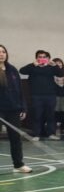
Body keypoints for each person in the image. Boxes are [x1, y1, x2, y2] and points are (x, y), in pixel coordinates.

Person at [0, 45, 31, 173]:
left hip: (13, 109)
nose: (1, 54)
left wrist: (23, 107)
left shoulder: (12, 70)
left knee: (15, 138)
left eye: (3, 52)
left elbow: (19, 90)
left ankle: (18, 165)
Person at [20, 50, 59, 141]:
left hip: (50, 95)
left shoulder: (51, 67)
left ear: (48, 58)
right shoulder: (33, 67)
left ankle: (51, 133)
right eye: (39, 57)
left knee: (51, 115)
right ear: (36, 58)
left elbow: (60, 74)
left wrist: (54, 65)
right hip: (36, 96)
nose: (42, 58)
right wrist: (32, 64)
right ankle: (36, 134)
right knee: (37, 115)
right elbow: (21, 71)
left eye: (44, 57)